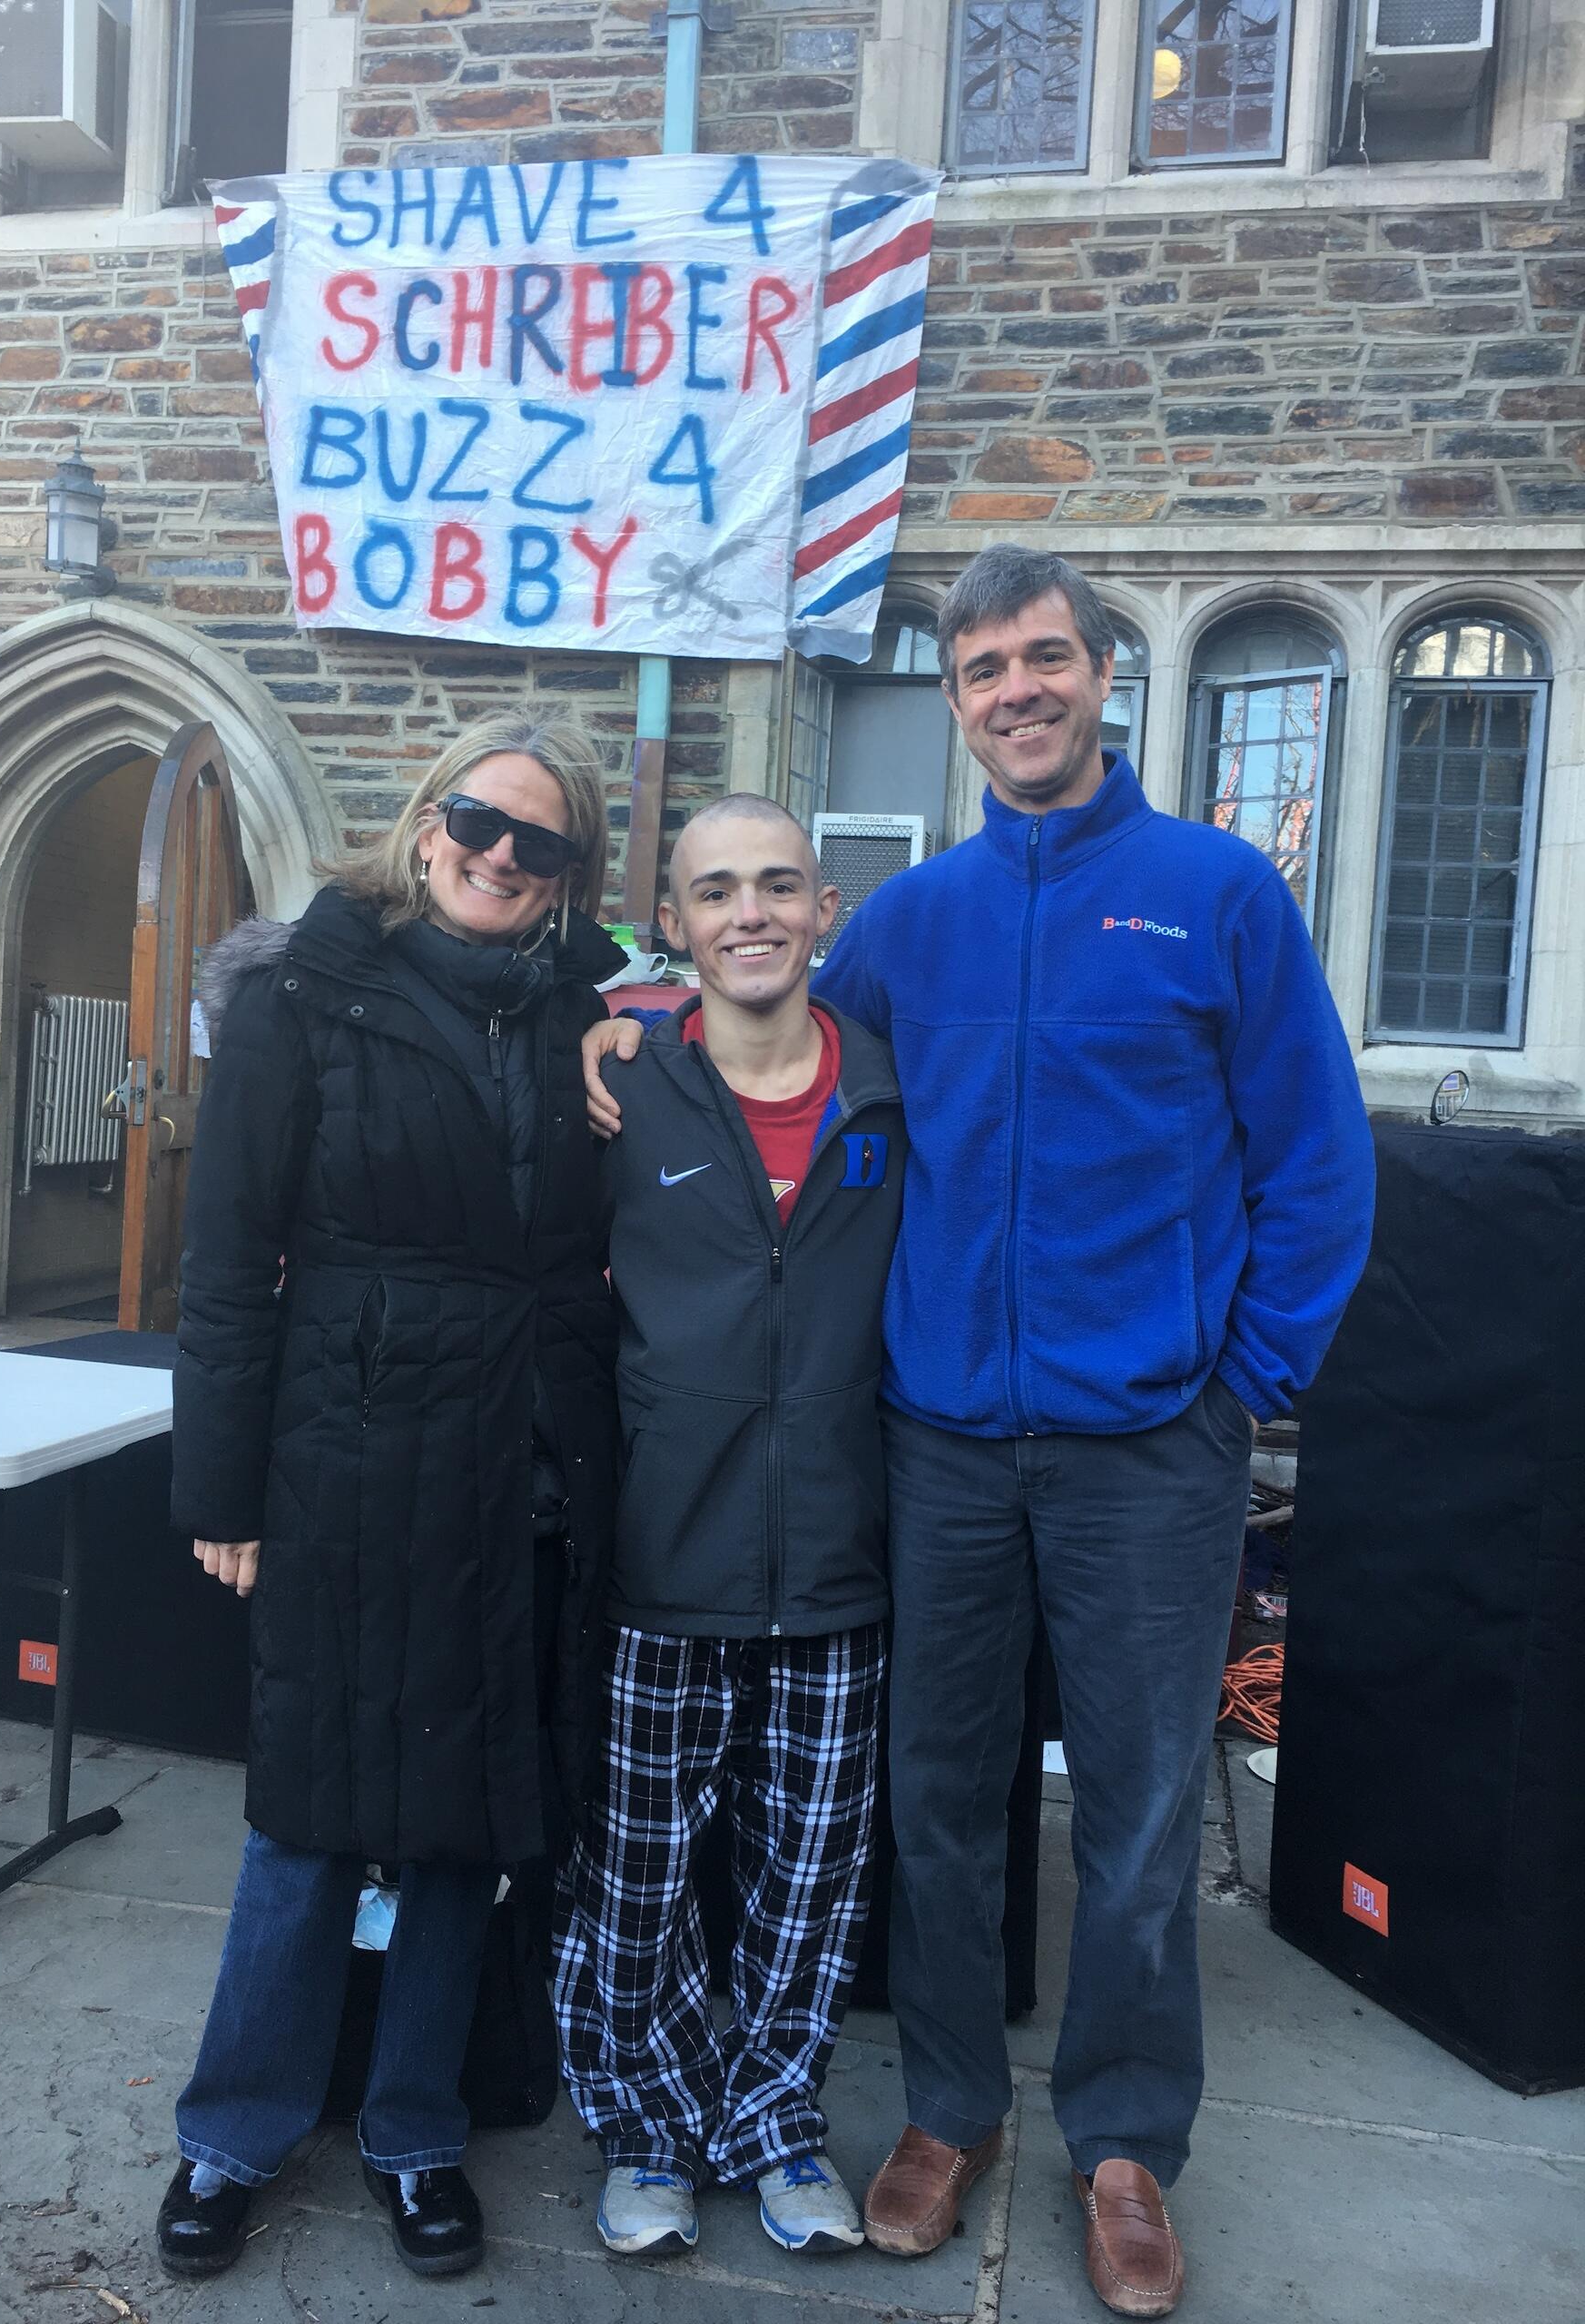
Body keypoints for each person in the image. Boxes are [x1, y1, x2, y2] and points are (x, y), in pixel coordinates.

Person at [586, 547, 1375, 2319]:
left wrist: (1238, 1375)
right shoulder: (908, 924)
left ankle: (1124, 2140)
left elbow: (1317, 1162)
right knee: (936, 1800)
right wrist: (624, 1023)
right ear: (955, 702)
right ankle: (950, 2106)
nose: (1017, 689)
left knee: (1142, 1811)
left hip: (1151, 1448)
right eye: (983, 669)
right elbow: (765, 1037)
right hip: (937, 1441)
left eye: (1044, 657)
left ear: (1100, 674)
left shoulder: (1216, 896)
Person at [155, 710, 625, 2285]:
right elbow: (229, 1261)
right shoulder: (305, 993)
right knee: (309, 1811)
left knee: (461, 1825)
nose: (501, 855)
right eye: (479, 822)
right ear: (429, 823)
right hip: (346, 1452)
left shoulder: (584, 1019)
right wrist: (222, 1485)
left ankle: (417, 2130)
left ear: (569, 872)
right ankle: (234, 2133)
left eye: (539, 842)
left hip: (519, 1464)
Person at [555, 795, 904, 2260]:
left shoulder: (894, 1092)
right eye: (715, 892)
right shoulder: (628, 1088)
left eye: (776, 885)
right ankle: (647, 2124)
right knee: (638, 1872)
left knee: (808, 1876)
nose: (748, 913)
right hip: (665, 1552)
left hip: (837, 1557)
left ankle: (772, 2121)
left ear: (824, 909)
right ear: (675, 925)